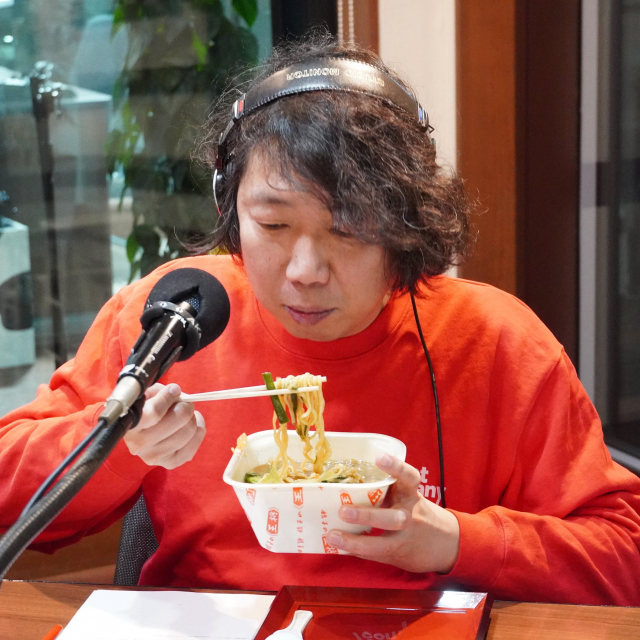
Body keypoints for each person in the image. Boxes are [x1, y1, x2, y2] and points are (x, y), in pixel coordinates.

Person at [1, 34, 640, 605]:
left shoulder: (495, 343)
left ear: (407, 226)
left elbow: (623, 557)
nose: (305, 270)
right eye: (273, 224)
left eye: (350, 229)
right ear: (230, 207)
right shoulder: (177, 315)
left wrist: (453, 540)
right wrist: (119, 445)